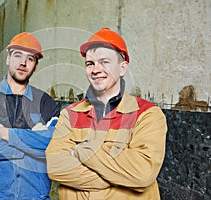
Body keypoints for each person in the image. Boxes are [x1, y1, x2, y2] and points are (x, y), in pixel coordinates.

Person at [45, 27, 167, 199]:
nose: (96, 69)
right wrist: (115, 177)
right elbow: (55, 166)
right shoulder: (70, 114)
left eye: (105, 62)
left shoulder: (147, 115)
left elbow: (142, 173)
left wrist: (81, 151)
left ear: (123, 68)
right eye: (90, 63)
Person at [0, 32, 59, 200]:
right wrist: (31, 144)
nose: (23, 63)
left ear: (36, 66)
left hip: (35, 196)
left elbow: (53, 147)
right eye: (18, 56)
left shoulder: (46, 103)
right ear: (8, 59)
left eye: (30, 59)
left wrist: (4, 134)